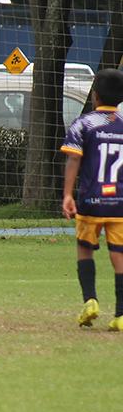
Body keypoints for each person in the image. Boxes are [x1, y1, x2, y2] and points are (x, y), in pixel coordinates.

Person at [61, 68, 123, 330]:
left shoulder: (84, 123)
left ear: (95, 95)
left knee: (84, 247)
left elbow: (73, 159)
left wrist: (67, 194)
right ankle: (121, 314)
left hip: (91, 200)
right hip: (120, 203)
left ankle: (90, 301)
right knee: (119, 254)